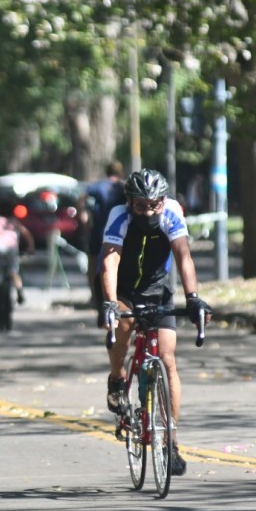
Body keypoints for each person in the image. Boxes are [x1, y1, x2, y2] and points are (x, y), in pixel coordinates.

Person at [100, 168, 212, 477]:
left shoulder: (172, 211)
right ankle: (117, 378)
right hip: (124, 290)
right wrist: (110, 302)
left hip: (157, 290)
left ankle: (172, 442)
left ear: (162, 201)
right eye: (141, 205)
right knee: (122, 328)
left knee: (168, 359)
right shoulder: (118, 216)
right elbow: (110, 260)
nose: (148, 211)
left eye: (154, 204)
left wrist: (193, 297)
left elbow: (183, 255)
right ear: (130, 203)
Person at [78, 160, 126, 309]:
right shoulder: (123, 187)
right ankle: (118, 295)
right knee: (118, 262)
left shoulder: (98, 186)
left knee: (93, 262)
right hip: (119, 231)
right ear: (120, 172)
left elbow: (81, 198)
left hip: (99, 229)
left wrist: (83, 215)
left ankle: (94, 296)